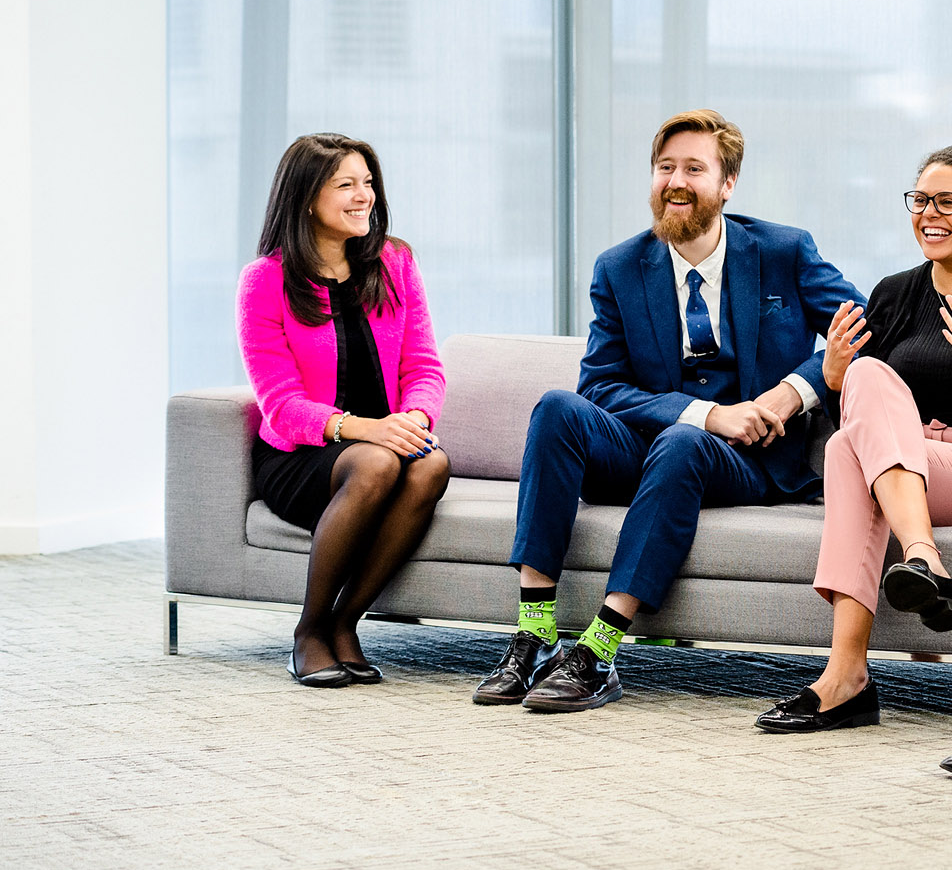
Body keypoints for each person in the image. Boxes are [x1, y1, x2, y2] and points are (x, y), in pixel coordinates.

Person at [472, 109, 863, 712]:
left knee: (683, 444)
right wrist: (706, 412)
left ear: (727, 183)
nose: (675, 182)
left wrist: (792, 391)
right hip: (651, 445)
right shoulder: (619, 267)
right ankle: (536, 634)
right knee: (556, 409)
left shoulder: (784, 250)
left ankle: (600, 650)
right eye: (664, 167)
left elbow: (865, 329)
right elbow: (600, 385)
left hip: (750, 459)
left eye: (694, 169)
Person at [754, 145, 952, 748]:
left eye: (948, 201)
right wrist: (834, 380)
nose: (929, 213)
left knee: (853, 445)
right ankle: (869, 638)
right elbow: (860, 415)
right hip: (905, 461)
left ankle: (855, 665)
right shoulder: (895, 293)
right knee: (850, 428)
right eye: (920, 200)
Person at [237, 133, 450, 688]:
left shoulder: (395, 262)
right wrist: (367, 431)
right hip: (304, 457)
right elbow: (281, 406)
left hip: (384, 444)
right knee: (375, 462)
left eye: (368, 183)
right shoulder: (265, 281)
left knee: (431, 462)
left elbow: (424, 366)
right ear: (307, 198)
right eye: (346, 185)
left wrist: (414, 421)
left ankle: (345, 622)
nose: (364, 196)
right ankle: (309, 631)